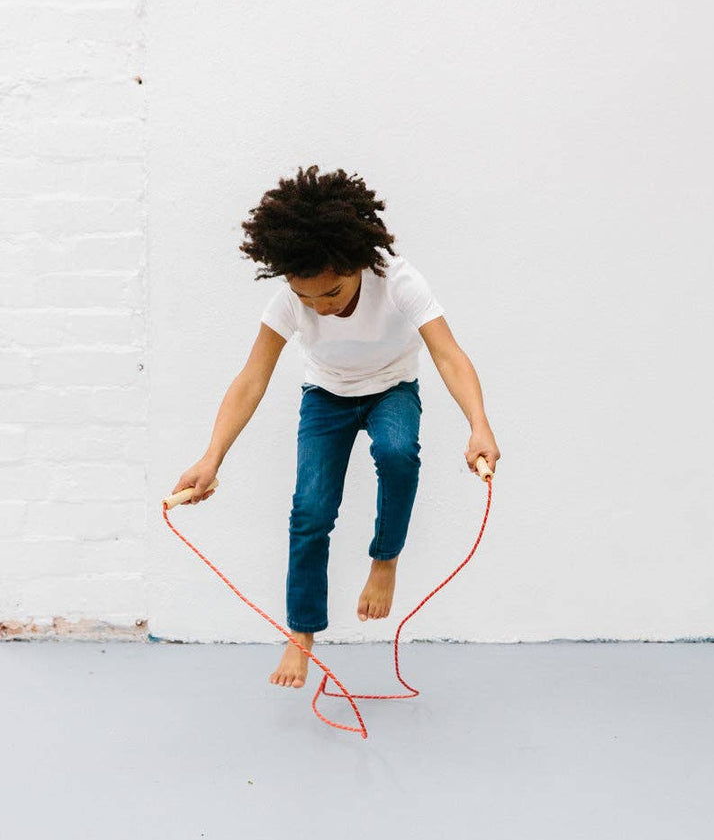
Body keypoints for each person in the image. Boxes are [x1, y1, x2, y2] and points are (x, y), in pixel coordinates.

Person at [170, 164, 500, 690]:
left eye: (332, 293)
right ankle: (301, 634)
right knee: (310, 511)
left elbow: (448, 354)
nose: (322, 308)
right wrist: (213, 457)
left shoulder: (398, 280)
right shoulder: (290, 300)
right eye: (307, 298)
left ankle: (385, 559)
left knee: (397, 452)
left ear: (357, 265)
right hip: (326, 396)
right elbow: (251, 379)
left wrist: (478, 424)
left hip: (392, 387)